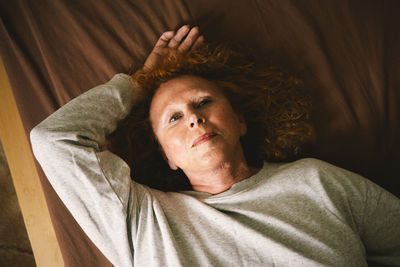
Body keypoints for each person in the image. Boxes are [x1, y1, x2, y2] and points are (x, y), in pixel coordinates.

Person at [30, 25, 400, 267]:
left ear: (239, 122)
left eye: (204, 102)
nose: (193, 117)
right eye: (173, 118)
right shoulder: (143, 221)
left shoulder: (318, 181)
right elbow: (54, 140)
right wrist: (139, 81)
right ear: (167, 156)